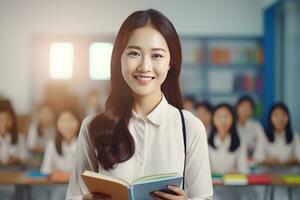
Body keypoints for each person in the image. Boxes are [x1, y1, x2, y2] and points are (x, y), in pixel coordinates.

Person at [66, 9, 212, 200]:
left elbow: (204, 197)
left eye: (157, 55)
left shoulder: (190, 127)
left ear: (170, 62)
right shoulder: (93, 126)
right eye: (134, 53)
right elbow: (74, 196)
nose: (144, 66)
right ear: (120, 58)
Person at [208, 104, 248, 174]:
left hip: (233, 182)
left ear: (233, 119)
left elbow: (243, 169)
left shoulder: (240, 139)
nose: (222, 120)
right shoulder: (205, 138)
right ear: (212, 119)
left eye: (226, 116)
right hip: (212, 182)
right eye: (218, 116)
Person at [0, 99, 28, 165]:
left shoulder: (20, 137)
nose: (5, 123)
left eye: (8, 119)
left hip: (15, 170)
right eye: (1, 120)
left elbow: (25, 156)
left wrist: (17, 159)